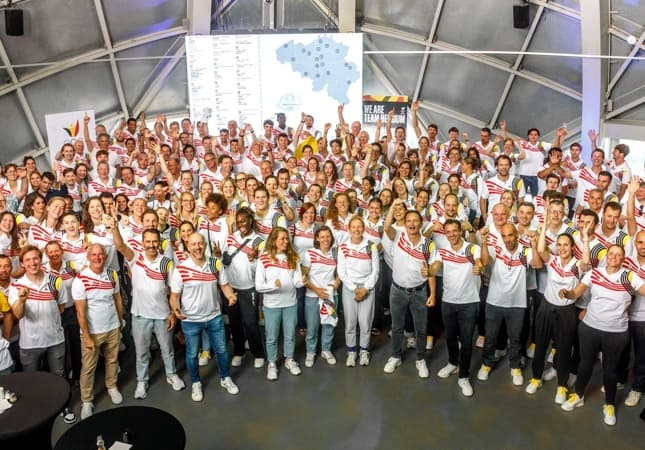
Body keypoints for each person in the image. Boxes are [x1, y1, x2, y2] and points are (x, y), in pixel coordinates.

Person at [559, 245, 645, 426]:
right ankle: (579, 395)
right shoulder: (594, 273)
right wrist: (568, 293)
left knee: (611, 371)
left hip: (616, 333)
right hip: (590, 328)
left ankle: (610, 405)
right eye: (611, 253)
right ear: (607, 255)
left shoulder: (629, 276)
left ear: (623, 259)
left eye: (619, 255)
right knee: (585, 366)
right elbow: (576, 292)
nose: (614, 257)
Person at [110, 219, 185, 399]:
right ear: (143, 243)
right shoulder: (135, 258)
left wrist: (172, 313)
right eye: (148, 241)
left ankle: (171, 375)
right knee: (142, 353)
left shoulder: (167, 263)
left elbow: (173, 291)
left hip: (162, 315)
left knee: (167, 350)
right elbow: (120, 246)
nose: (151, 245)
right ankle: (142, 382)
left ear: (159, 243)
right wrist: (113, 227)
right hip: (140, 316)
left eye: (154, 241)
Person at [170, 232, 239, 401]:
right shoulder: (181, 269)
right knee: (192, 354)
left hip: (214, 317)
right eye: (194, 244)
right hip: (191, 320)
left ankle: (225, 378)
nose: (198, 247)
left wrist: (230, 295)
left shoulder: (215, 264)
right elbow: (174, 296)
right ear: (188, 246)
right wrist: (176, 309)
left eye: (200, 243)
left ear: (205, 245)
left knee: (222, 350)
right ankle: (195, 383)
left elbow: (225, 285)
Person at [525, 220, 583, 404]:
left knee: (565, 349)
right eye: (559, 245)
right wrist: (544, 223)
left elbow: (588, 262)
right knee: (540, 346)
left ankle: (562, 386)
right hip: (546, 307)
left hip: (566, 311)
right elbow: (542, 251)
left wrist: (587, 239)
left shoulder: (578, 265)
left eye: (566, 244)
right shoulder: (553, 260)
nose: (562, 248)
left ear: (572, 247)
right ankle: (536, 378)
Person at [477, 223, 542, 386]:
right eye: (504, 236)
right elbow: (485, 261)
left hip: (517, 304)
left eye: (510, 235)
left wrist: (534, 244)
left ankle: (515, 367)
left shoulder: (525, 251)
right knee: (490, 337)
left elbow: (538, 264)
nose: (507, 239)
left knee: (516, 338)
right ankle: (486, 364)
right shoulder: (497, 249)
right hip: (494, 301)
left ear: (517, 235)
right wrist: (484, 242)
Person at [424, 219, 483, 397]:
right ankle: (452, 363)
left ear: (460, 231)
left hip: (469, 302)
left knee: (466, 340)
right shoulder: (443, 251)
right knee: (450, 336)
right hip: (448, 301)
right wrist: (430, 271)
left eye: (455, 231)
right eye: (448, 232)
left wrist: (479, 267)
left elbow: (479, 262)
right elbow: (436, 266)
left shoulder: (472, 248)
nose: (452, 234)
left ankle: (463, 376)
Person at [382, 202, 437, 378]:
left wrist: (433, 294)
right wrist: (392, 209)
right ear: (405, 223)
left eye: (415, 221)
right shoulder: (398, 236)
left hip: (419, 291)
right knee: (397, 327)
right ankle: (395, 356)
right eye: (409, 221)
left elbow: (432, 271)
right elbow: (386, 227)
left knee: (421, 329)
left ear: (421, 223)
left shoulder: (428, 244)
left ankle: (420, 360)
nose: (412, 224)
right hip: (397, 290)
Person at [72, 244, 124, 419]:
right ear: (88, 257)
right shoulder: (80, 279)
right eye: (93, 255)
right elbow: (80, 311)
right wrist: (86, 335)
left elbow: (117, 299)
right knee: (88, 368)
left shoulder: (112, 274)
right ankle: (87, 400)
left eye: (100, 254)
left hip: (112, 327)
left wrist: (120, 321)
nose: (97, 258)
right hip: (93, 332)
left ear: (105, 256)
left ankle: (112, 386)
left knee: (112, 360)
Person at [255, 227, 305, 380]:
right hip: (271, 305)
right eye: (282, 239)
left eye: (286, 238)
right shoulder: (264, 258)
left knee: (290, 335)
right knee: (272, 336)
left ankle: (289, 359)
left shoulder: (293, 258)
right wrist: (273, 285)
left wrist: (302, 281)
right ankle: (272, 363)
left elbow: (296, 282)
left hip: (290, 303)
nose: (285, 241)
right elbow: (258, 286)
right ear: (274, 241)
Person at [222, 207, 266, 369]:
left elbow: (263, 266)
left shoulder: (259, 241)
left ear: (250, 220)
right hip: (232, 289)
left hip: (249, 288)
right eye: (239, 221)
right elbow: (226, 259)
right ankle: (238, 352)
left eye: (244, 220)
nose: (242, 224)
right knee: (235, 323)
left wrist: (254, 259)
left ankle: (258, 353)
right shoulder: (231, 237)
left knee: (251, 322)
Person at [337, 216, 379, 367]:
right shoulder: (343, 247)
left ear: (364, 228)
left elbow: (375, 271)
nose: (356, 229)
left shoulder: (371, 246)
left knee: (365, 322)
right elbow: (341, 272)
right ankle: (351, 351)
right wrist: (355, 289)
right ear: (349, 229)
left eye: (359, 226)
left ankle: (363, 351)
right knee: (350, 322)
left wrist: (365, 288)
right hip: (350, 289)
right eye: (353, 227)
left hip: (367, 288)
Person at [301, 226, 340, 367]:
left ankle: (326, 349)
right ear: (317, 238)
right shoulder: (309, 253)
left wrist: (335, 285)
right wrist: (317, 290)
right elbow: (303, 277)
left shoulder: (335, 253)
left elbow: (339, 274)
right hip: (313, 296)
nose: (325, 239)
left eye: (328, 236)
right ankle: (311, 352)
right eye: (322, 236)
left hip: (330, 296)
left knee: (329, 324)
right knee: (312, 326)